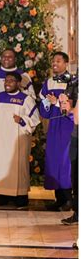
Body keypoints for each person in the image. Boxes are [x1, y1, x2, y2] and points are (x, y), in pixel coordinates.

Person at [0, 71, 40, 208]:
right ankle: (3, 195)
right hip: (1, 139)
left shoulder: (26, 99)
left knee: (18, 167)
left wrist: (22, 120)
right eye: (6, 81)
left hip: (17, 141)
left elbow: (35, 119)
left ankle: (21, 197)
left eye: (11, 81)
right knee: (1, 166)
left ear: (19, 83)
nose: (7, 83)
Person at [39, 52, 74, 211]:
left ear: (66, 63)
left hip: (67, 125)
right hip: (54, 126)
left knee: (65, 162)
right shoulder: (49, 82)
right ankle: (58, 198)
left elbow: (73, 108)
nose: (54, 63)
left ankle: (69, 199)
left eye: (58, 61)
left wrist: (56, 103)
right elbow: (44, 110)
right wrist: (48, 103)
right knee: (53, 160)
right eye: (53, 61)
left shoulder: (73, 82)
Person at [59, 87, 78, 225]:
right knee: (75, 178)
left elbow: (76, 118)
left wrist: (70, 109)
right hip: (76, 138)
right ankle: (77, 213)